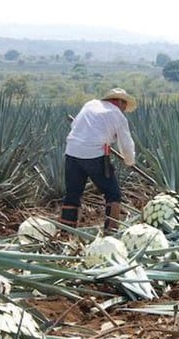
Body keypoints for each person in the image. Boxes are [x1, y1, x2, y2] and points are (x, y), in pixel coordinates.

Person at [60, 87, 137, 234]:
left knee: (72, 195)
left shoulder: (90, 104)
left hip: (72, 152)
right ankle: (111, 233)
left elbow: (75, 126)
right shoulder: (117, 115)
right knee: (113, 194)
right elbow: (126, 144)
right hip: (94, 154)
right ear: (120, 102)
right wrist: (130, 161)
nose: (125, 108)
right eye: (125, 105)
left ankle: (65, 234)